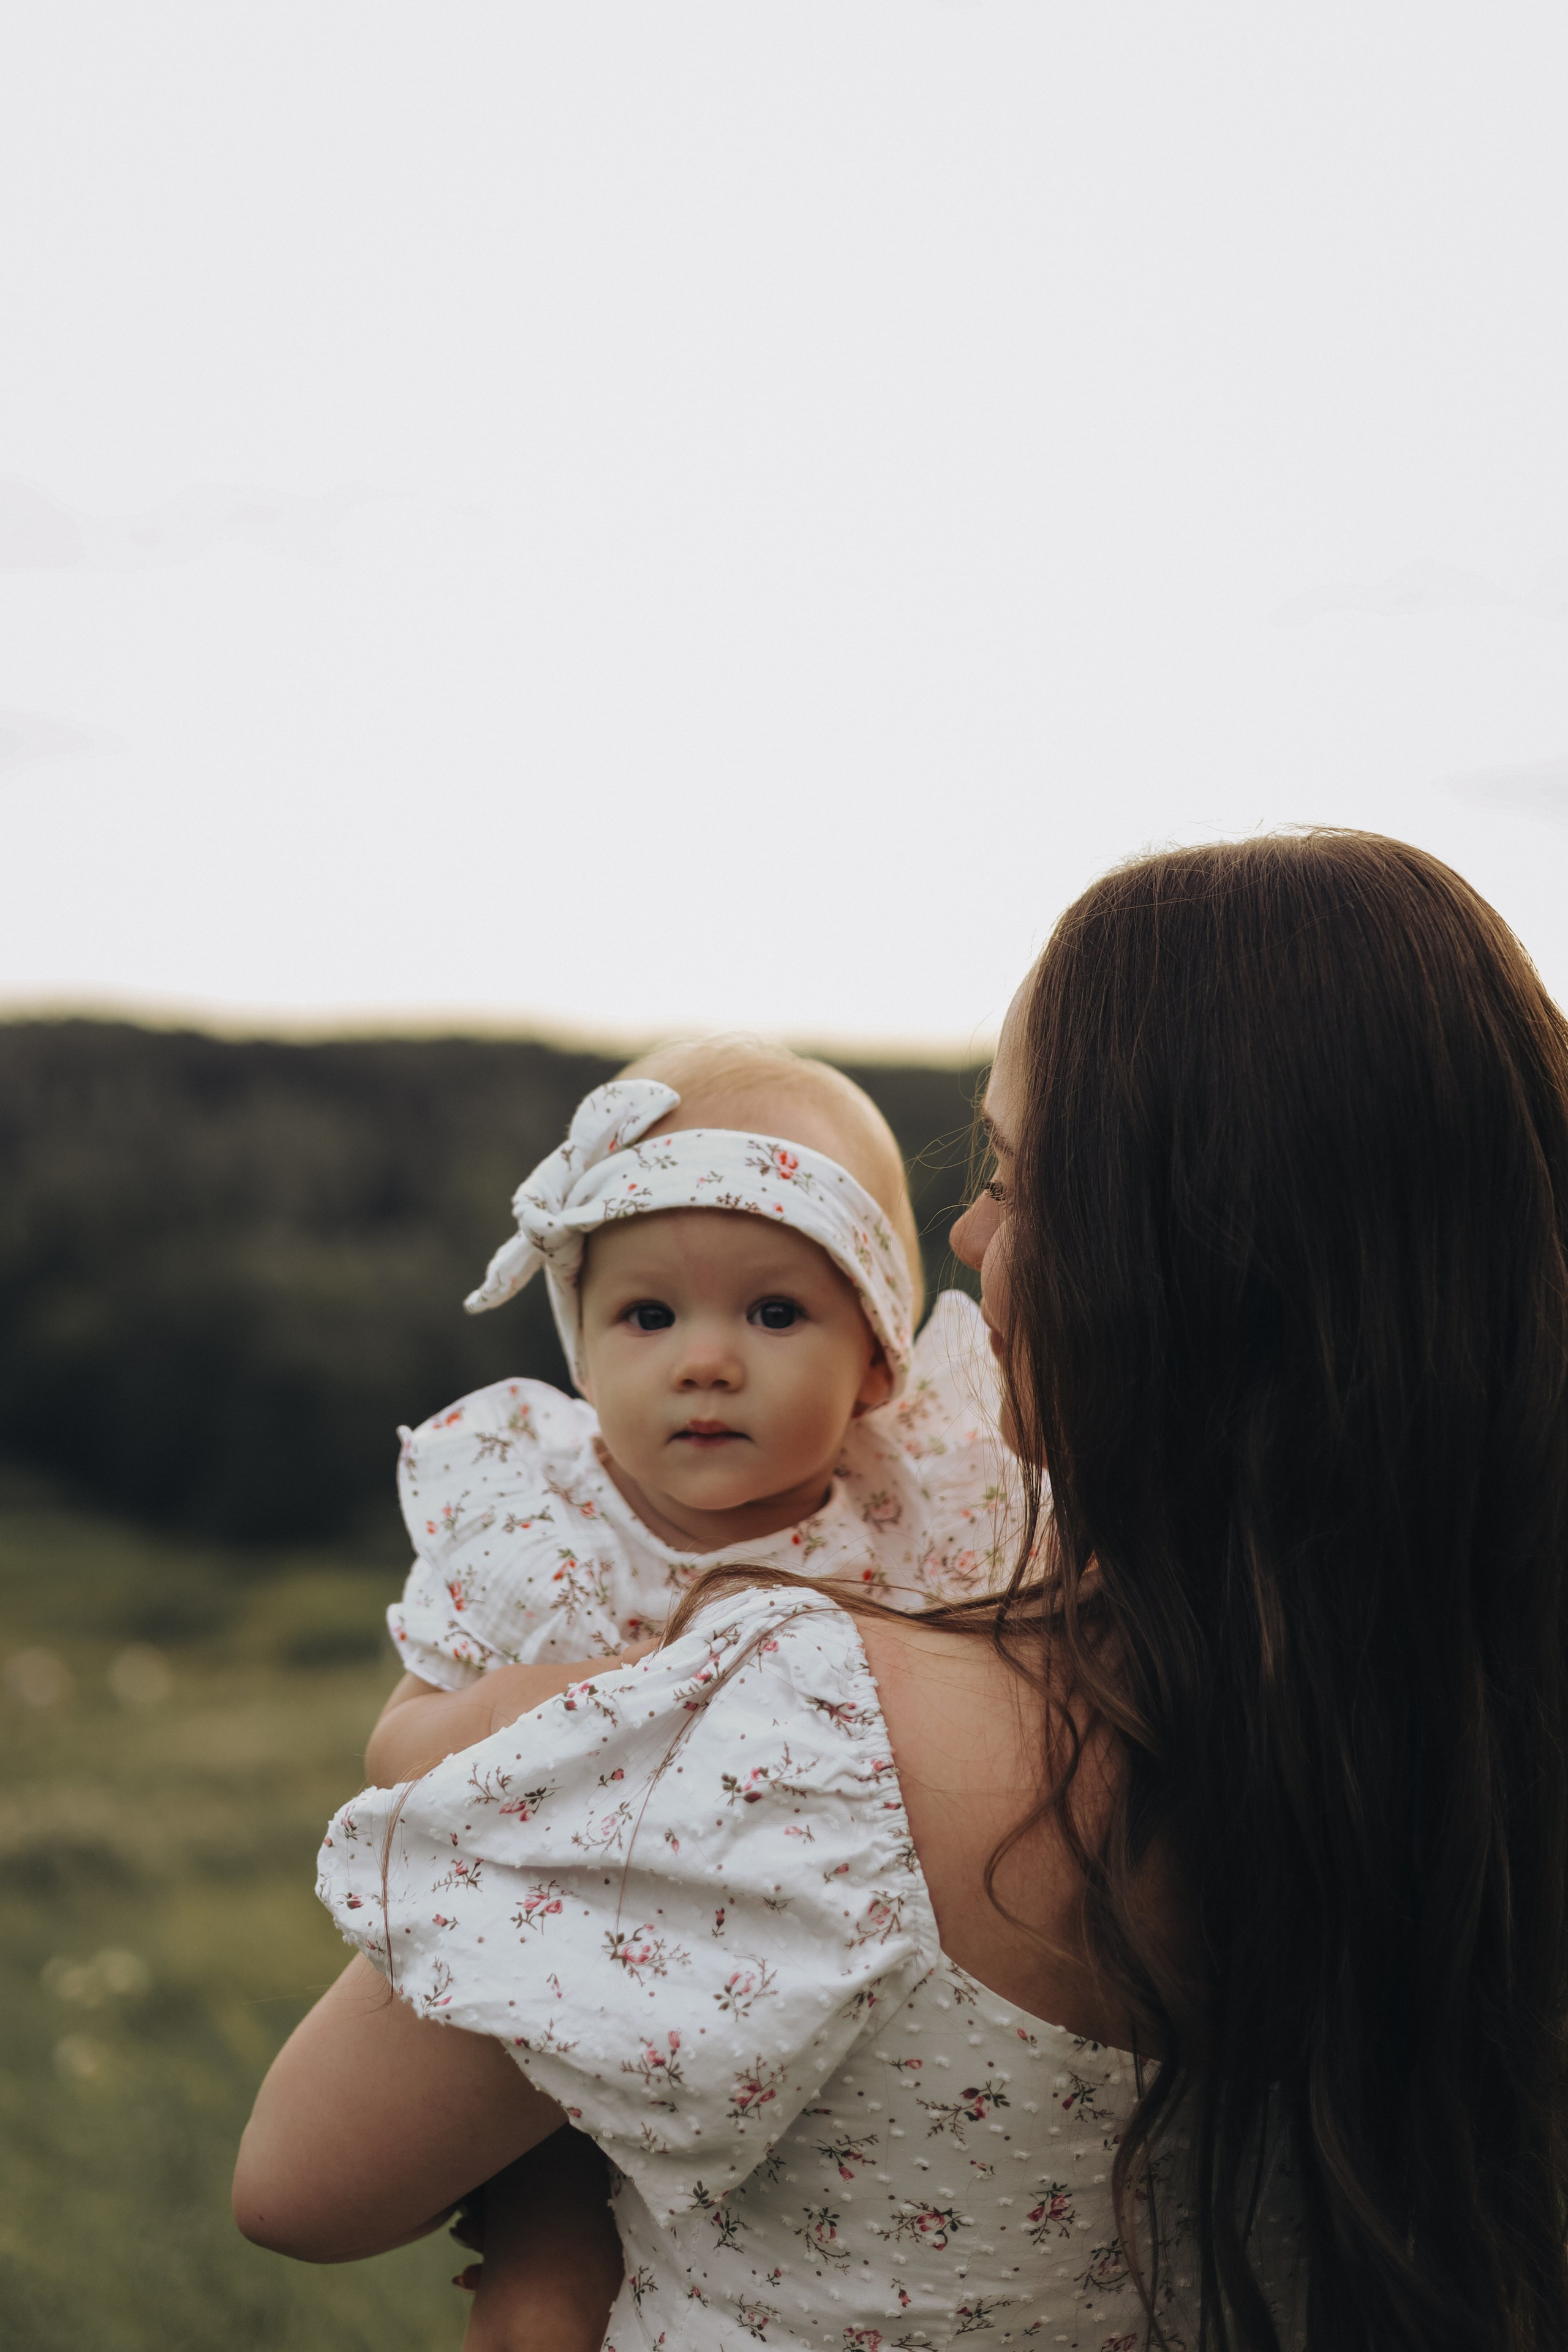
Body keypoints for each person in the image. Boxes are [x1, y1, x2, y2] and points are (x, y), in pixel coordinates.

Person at [235, 832, 1568, 2352]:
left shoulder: (799, 1735)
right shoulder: (1480, 1700)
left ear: (1176, 1250)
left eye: (1011, 1173)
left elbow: (300, 2178)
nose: (965, 1236)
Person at [367, 1034, 1008, 1795]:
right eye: (648, 1315)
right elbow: (391, 1756)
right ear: (585, 1357)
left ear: (877, 1359)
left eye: (773, 1313)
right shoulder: (536, 1532)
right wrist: (530, 1701)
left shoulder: (916, 1521)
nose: (704, 1363)